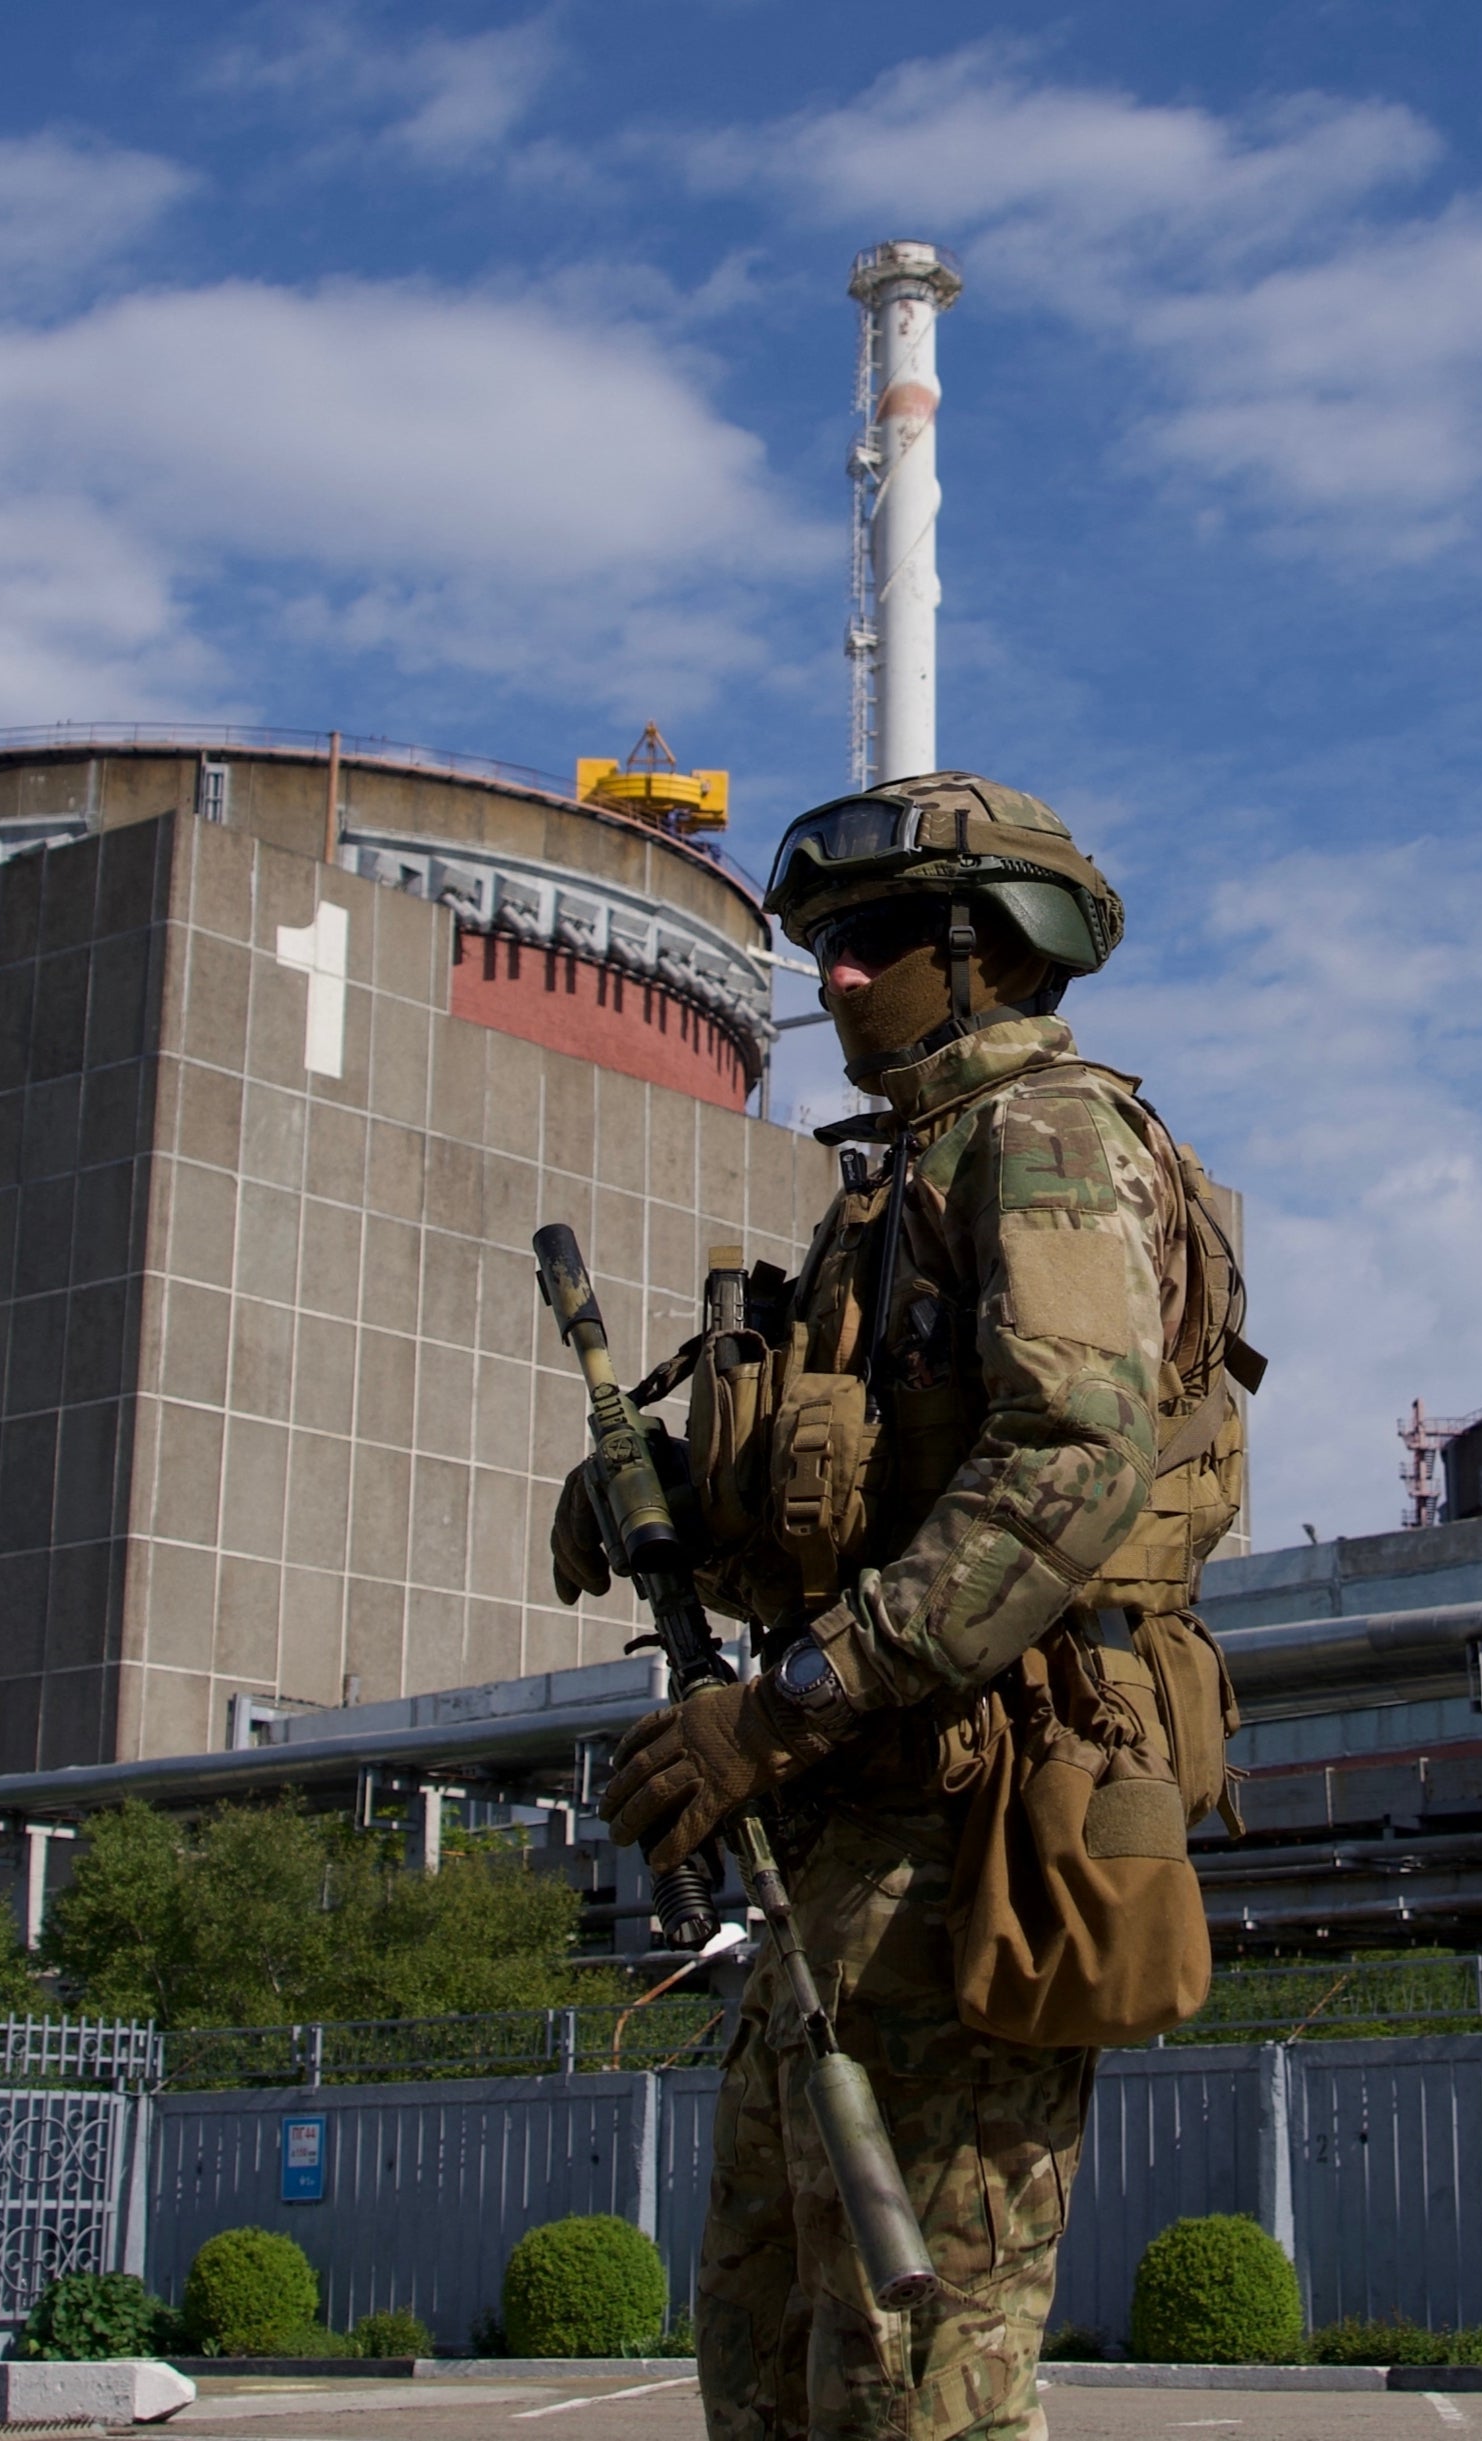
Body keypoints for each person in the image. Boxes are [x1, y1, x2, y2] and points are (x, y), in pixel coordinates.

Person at [549, 774, 1249, 2441]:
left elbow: (1070, 1465)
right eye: (827, 946)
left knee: (911, 2372)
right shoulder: (903, 1182)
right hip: (855, 1847)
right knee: (772, 2345)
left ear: (989, 949)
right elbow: (869, 1512)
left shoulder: (1050, 1139)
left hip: (982, 1838)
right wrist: (675, 1503)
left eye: (871, 941)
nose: (836, 977)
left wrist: (779, 1701)